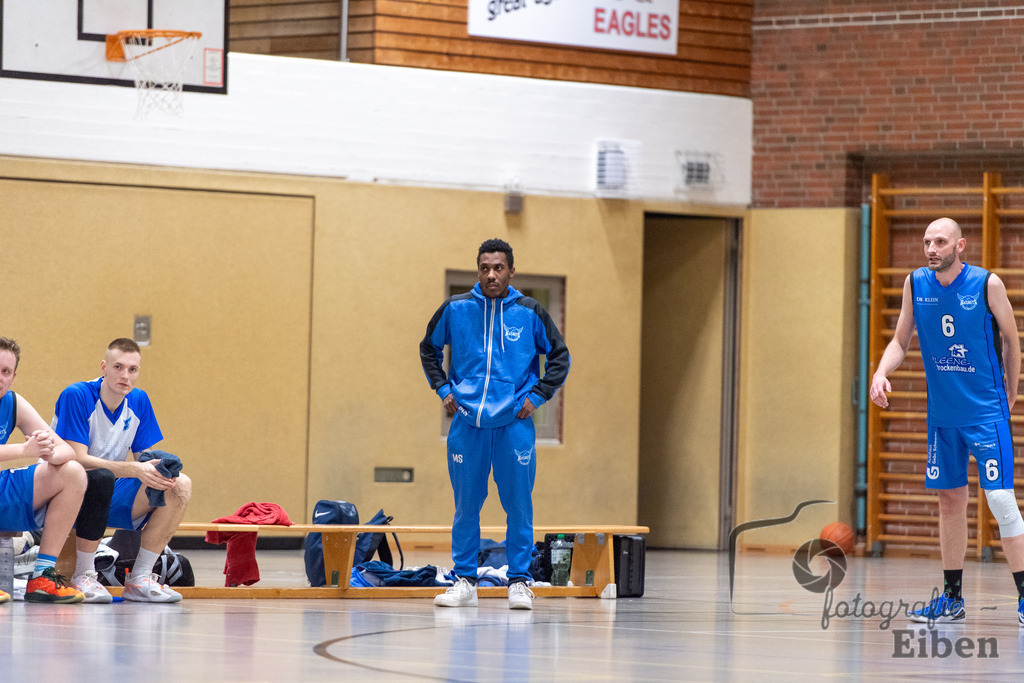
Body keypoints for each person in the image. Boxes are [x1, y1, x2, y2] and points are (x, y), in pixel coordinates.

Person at [870, 217, 1024, 625]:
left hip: (985, 413)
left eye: (940, 241)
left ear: (961, 246)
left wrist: (1010, 391)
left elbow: (1011, 339)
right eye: (926, 242)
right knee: (950, 502)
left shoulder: (986, 284)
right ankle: (953, 600)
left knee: (1001, 501)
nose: (931, 248)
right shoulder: (915, 283)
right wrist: (881, 372)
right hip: (942, 417)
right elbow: (901, 340)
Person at [420, 238, 570, 610]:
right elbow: (428, 348)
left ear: (511, 271)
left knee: (518, 504)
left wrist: (536, 397)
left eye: (498, 268)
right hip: (467, 426)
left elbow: (559, 357)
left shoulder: (529, 311)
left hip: (514, 426)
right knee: (466, 506)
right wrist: (442, 389)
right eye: (485, 268)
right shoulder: (457, 309)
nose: (491, 274)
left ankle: (519, 581)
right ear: (478, 271)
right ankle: (465, 580)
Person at [51, 338, 192, 603]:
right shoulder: (77, 395)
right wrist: (131, 468)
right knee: (101, 478)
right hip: (63, 492)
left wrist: (160, 467)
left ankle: (140, 578)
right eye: (118, 367)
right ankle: (84, 575)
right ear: (104, 367)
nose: (125, 375)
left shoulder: (138, 400)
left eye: (132, 370)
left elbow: (143, 459)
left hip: (108, 490)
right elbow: (78, 459)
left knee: (180, 483)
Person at [0, 337, 86, 603]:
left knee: (73, 473)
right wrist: (25, 451)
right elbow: (24, 450)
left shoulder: (13, 402)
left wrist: (48, 450)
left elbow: (67, 450)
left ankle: (43, 577)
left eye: (5, 372)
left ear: (14, 376)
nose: (0, 378)